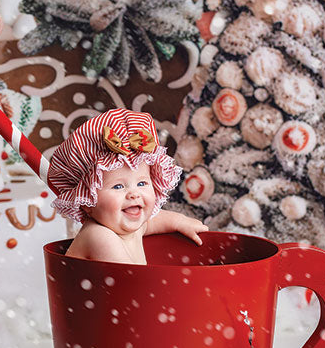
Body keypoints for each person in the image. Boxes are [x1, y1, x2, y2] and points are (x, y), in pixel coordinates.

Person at [47, 108, 208, 264]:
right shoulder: (99, 236)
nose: (134, 193)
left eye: (142, 183)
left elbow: (152, 220)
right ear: (88, 201)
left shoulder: (127, 227)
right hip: (115, 291)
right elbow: (133, 280)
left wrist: (180, 222)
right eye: (118, 186)